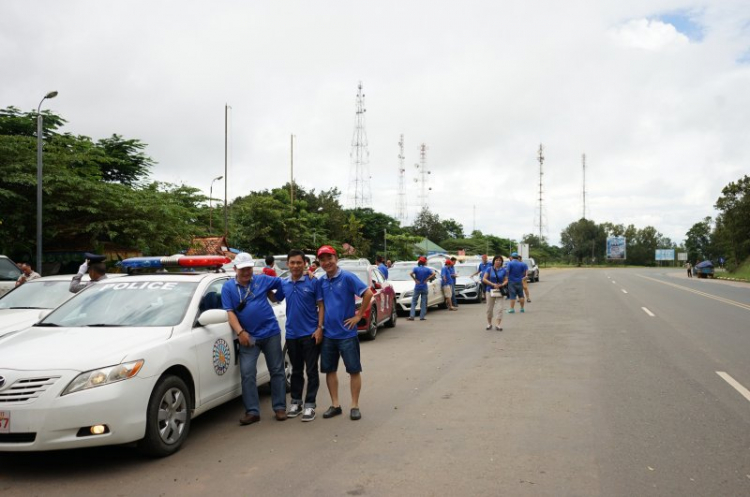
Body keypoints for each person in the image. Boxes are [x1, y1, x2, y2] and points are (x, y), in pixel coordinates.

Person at [221, 252, 287, 425]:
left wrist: (276, 296)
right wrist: (241, 332)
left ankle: (279, 408)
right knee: (248, 373)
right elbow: (230, 313)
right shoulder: (228, 288)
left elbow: (283, 282)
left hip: (271, 332)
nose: (246, 273)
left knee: (277, 371)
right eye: (242, 269)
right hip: (249, 337)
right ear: (235, 269)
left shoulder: (262, 280)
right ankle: (252, 411)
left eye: (249, 268)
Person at [316, 245, 373, 421]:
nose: (327, 262)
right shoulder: (321, 281)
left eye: (329, 258)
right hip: (328, 335)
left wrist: (358, 316)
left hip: (347, 334)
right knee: (329, 370)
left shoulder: (347, 277)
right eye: (323, 259)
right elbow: (321, 306)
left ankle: (354, 405)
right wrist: (320, 326)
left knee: (354, 370)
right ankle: (335, 405)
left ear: (336, 258)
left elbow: (368, 293)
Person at [281, 249, 324, 422]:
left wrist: (320, 328)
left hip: (310, 334)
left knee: (312, 371)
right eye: (292, 262)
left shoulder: (313, 282)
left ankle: (310, 405)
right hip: (292, 334)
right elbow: (272, 295)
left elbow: (321, 305)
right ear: (288, 264)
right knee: (296, 370)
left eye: (299, 262)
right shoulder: (284, 283)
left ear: (305, 263)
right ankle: (296, 402)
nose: (296, 266)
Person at [482, 255, 508, 330]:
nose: (498, 261)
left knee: (500, 308)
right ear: (494, 261)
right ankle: (489, 323)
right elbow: (484, 279)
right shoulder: (489, 269)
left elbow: (506, 280)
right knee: (489, 308)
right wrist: (492, 284)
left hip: (500, 290)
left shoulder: (504, 270)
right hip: (490, 290)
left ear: (502, 262)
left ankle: (498, 324)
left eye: (500, 260)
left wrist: (501, 284)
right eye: (497, 260)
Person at [407, 256, 436, 321]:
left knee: (414, 301)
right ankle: (422, 316)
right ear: (424, 263)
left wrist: (415, 280)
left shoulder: (416, 269)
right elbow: (434, 273)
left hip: (417, 287)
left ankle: (412, 316)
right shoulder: (427, 269)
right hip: (424, 287)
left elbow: (410, 274)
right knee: (423, 302)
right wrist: (427, 279)